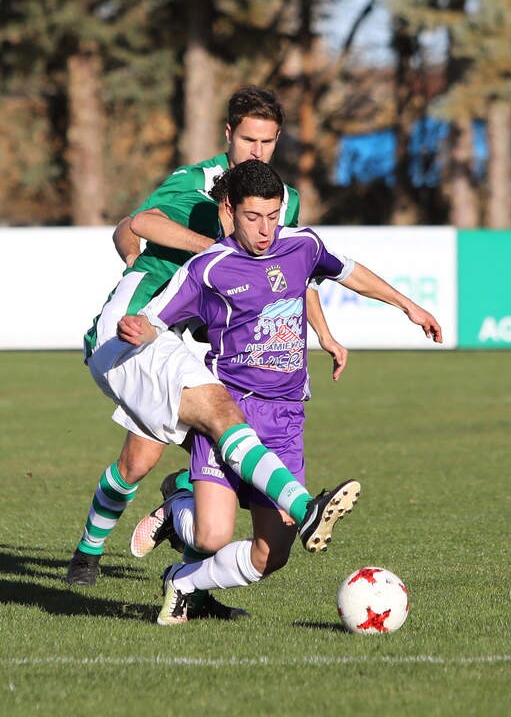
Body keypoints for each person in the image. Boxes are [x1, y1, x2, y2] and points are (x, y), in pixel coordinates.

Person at [117, 159, 442, 625]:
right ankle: (178, 506)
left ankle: (183, 581)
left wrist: (408, 306)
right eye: (253, 217)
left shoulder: (302, 246)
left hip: (285, 418)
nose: (266, 228)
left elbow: (349, 271)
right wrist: (138, 327)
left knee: (271, 556)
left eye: (273, 215)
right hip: (229, 411)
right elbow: (156, 318)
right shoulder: (208, 269)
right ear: (229, 210)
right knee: (210, 537)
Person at [66, 86, 348, 593]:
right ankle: (90, 552)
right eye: (247, 139)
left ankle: (191, 571)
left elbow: (289, 274)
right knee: (140, 459)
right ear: (228, 135)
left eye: (268, 141)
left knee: (217, 440)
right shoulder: (200, 182)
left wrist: (323, 333)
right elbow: (137, 224)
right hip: (150, 329)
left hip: (198, 340)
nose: (257, 151)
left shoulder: (277, 194)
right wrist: (217, 255)